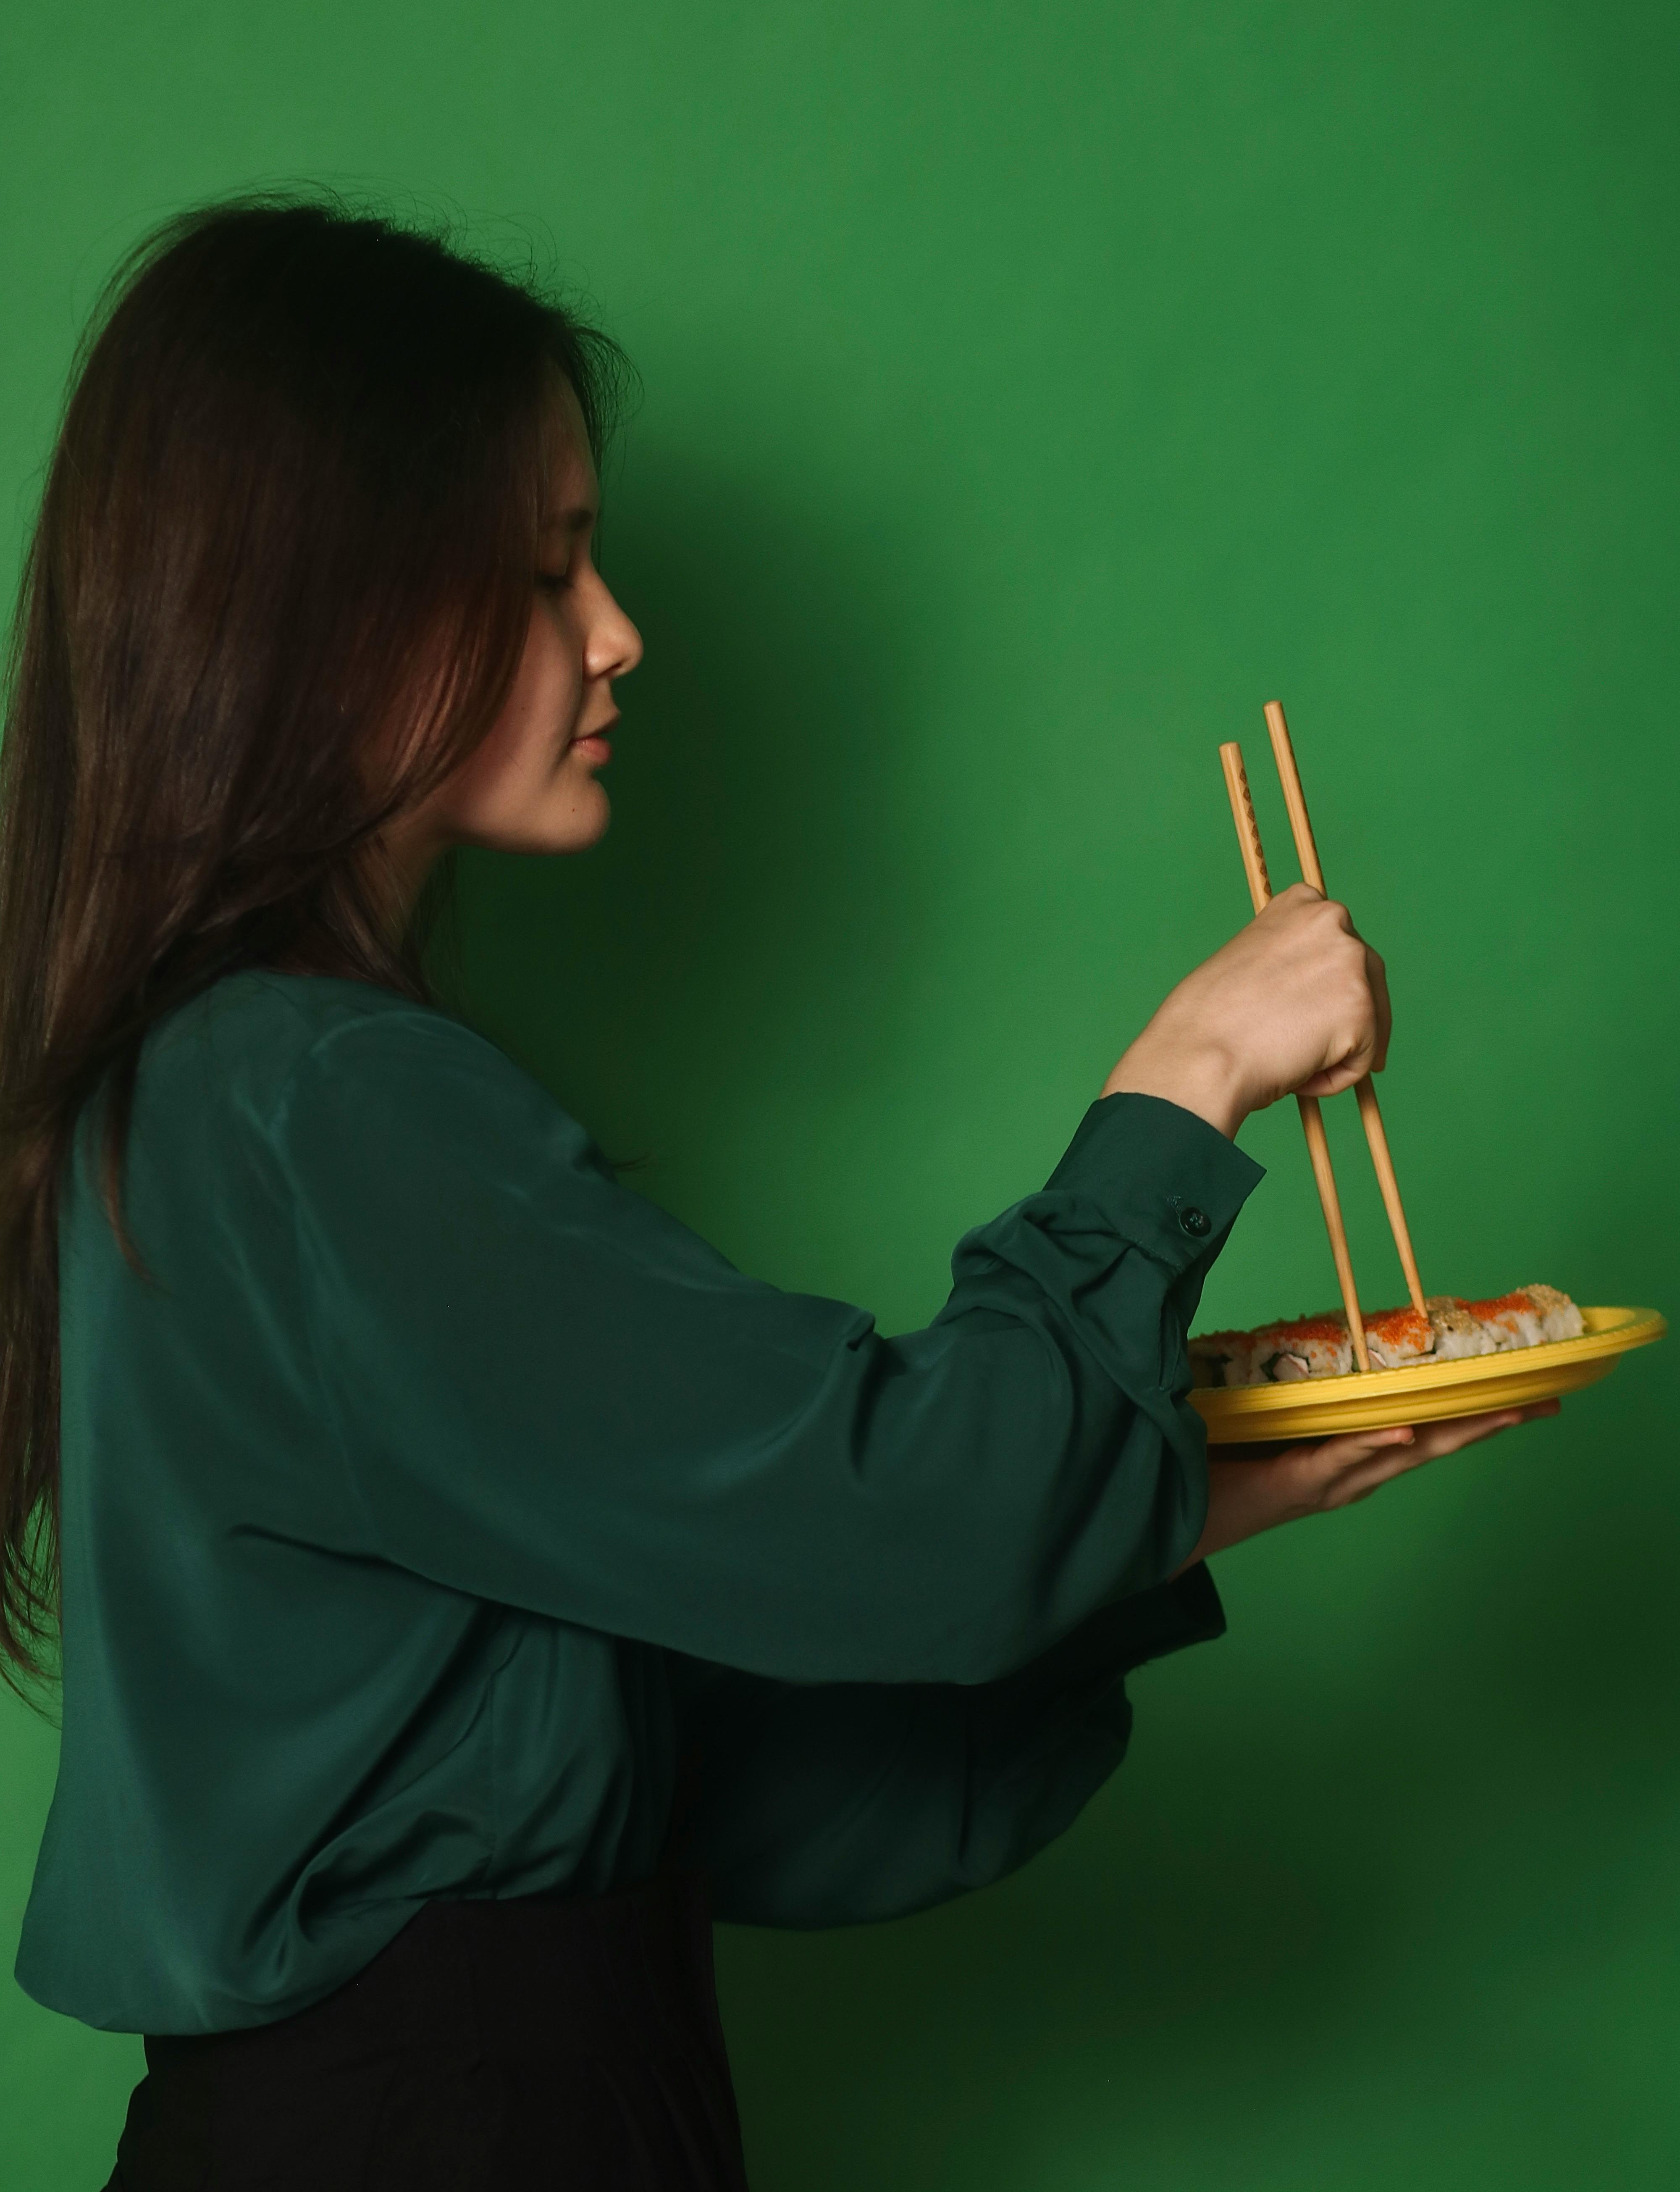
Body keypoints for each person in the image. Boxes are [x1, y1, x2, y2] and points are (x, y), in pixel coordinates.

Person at [0, 198, 1550, 2192]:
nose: (617, 628)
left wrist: (1187, 1486)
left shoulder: (220, 1098)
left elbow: (716, 1775)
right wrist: (1189, 1082)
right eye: (543, 564)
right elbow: (905, 1536)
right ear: (329, 603)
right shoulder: (315, 1105)